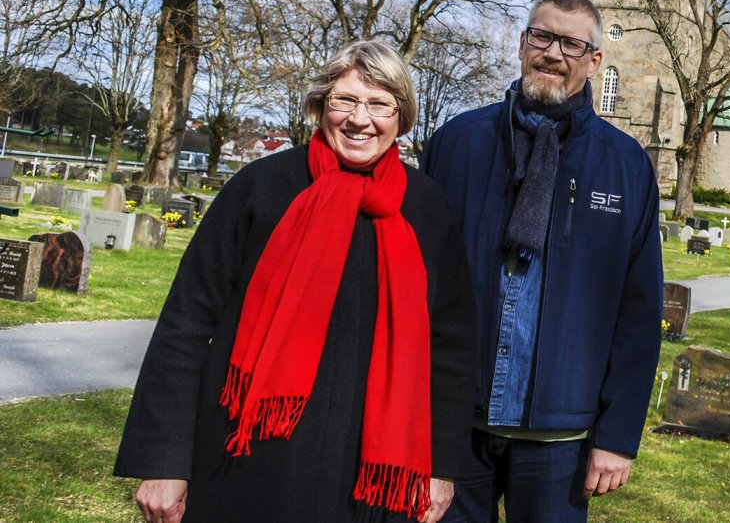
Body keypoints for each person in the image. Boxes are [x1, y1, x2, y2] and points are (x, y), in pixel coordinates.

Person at [114, 40, 476, 523]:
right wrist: (163, 461)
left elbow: (450, 346)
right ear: (320, 106)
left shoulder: (427, 209)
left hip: (372, 471)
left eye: (378, 104)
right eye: (344, 100)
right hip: (246, 454)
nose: (359, 119)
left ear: (402, 117)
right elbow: (186, 321)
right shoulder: (261, 188)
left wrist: (441, 465)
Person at [422, 0, 663, 522]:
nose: (553, 53)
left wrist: (619, 435)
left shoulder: (626, 166)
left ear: (595, 60)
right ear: (522, 43)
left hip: (562, 437)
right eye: (542, 36)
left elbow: (639, 312)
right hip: (455, 425)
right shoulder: (457, 143)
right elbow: (417, 283)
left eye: (572, 44)